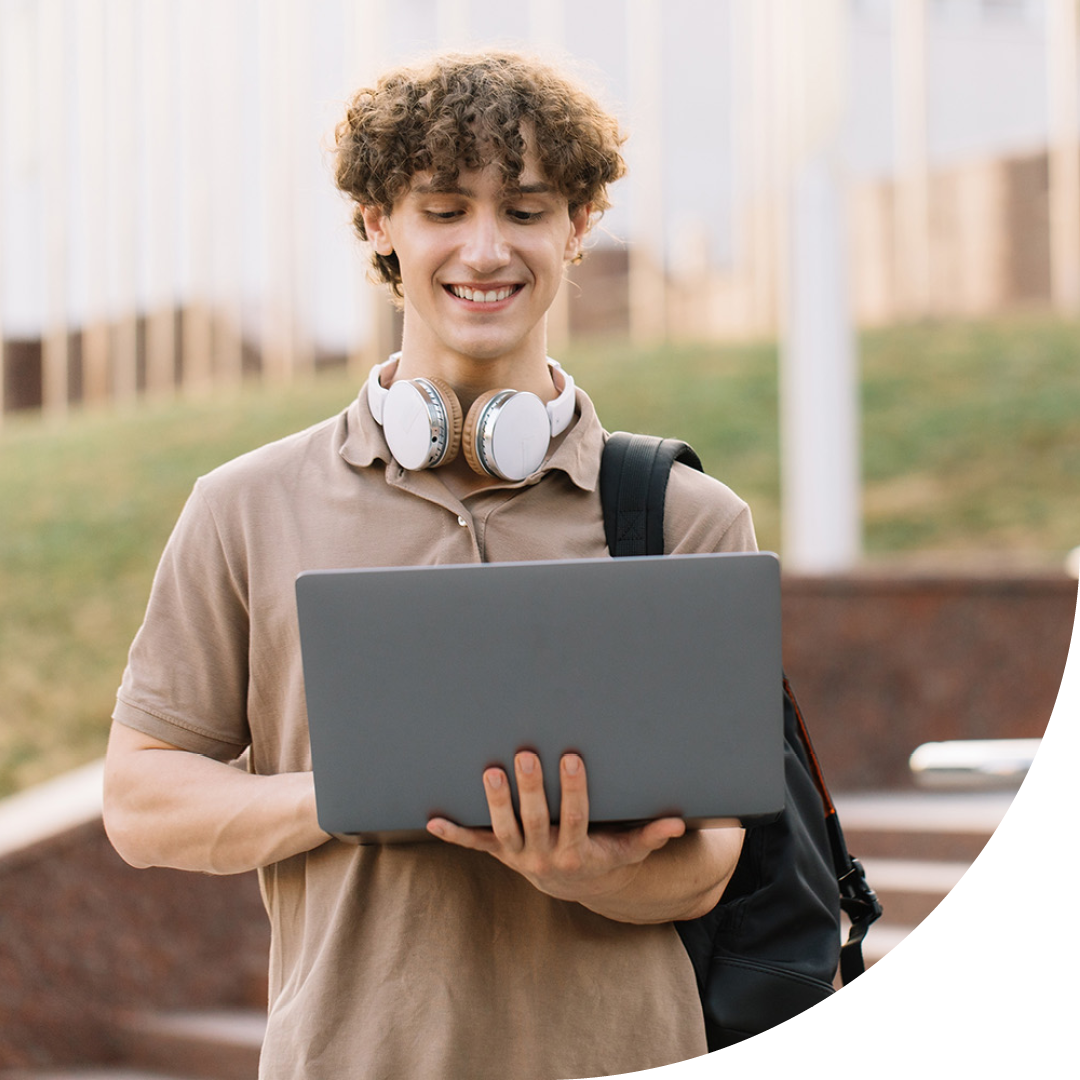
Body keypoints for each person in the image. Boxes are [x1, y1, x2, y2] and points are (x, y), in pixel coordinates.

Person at [103, 50, 758, 1079]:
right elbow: (140, 801)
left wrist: (585, 870)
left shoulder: (687, 518)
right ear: (379, 225)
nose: (486, 250)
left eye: (528, 210)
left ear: (579, 224)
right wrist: (354, 792)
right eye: (445, 208)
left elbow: (709, 863)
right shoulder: (243, 506)